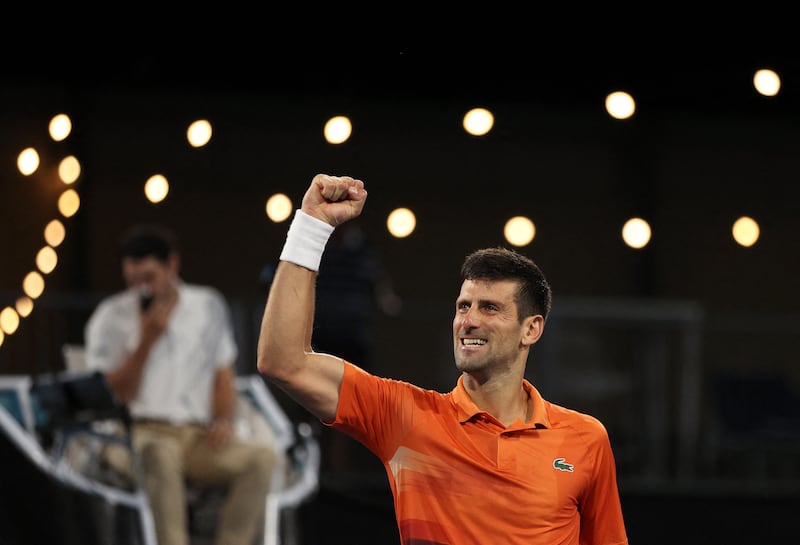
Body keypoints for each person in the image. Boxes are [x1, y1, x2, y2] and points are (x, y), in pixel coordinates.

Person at [257, 174, 629, 545]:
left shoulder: (585, 439)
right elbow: (284, 362)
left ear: (531, 330)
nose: (469, 320)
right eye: (463, 306)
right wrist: (310, 228)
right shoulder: (406, 417)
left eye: (490, 308)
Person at [84, 223, 277, 545]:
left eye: (148, 278)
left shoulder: (207, 305)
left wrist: (222, 419)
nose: (141, 290)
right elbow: (113, 395)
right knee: (158, 454)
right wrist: (147, 340)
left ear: (171, 265)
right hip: (136, 434)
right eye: (133, 281)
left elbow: (222, 372)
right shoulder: (111, 316)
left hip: (194, 436)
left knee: (261, 459)